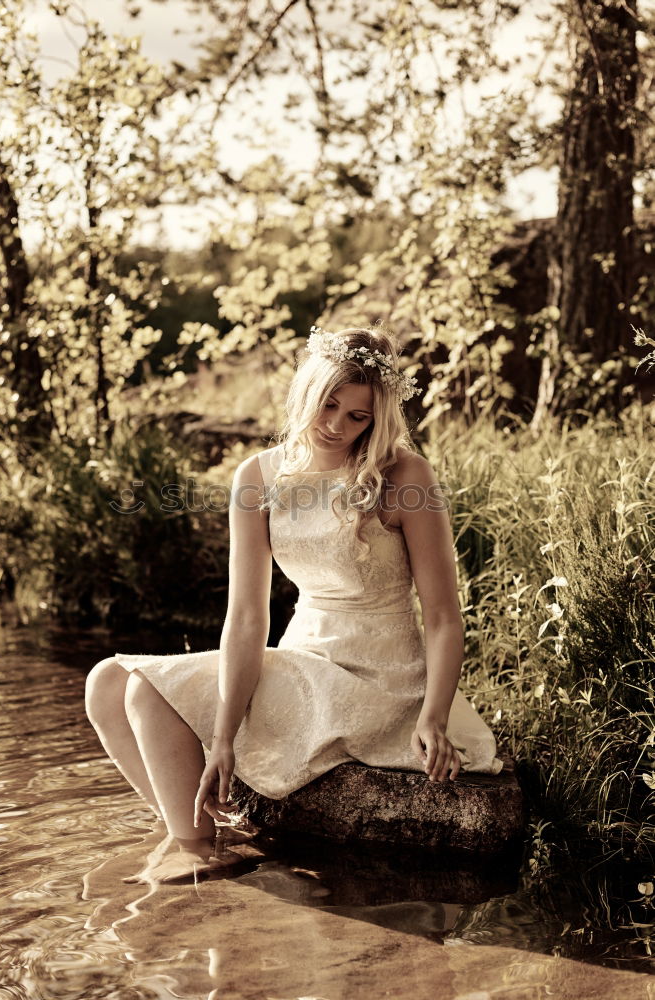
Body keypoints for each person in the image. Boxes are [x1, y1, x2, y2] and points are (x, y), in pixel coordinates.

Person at [84, 323, 503, 884]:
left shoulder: (403, 475)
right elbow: (247, 618)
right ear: (307, 390)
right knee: (105, 684)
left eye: (359, 416)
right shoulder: (258, 476)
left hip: (379, 676)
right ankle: (200, 831)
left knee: (144, 687)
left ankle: (198, 855)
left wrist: (432, 715)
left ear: (378, 418)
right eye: (328, 404)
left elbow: (446, 618)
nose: (337, 426)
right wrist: (225, 736)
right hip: (301, 659)